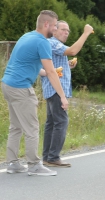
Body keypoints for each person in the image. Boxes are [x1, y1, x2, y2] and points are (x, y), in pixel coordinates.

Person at [1, 10, 68, 176]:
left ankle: (13, 163)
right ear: (46, 24)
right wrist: (62, 96)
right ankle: (34, 165)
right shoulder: (43, 42)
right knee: (32, 127)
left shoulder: (27, 36)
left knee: (16, 126)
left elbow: (29, 64)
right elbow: (51, 72)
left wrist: (47, 72)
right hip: (21, 87)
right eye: (54, 26)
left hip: (8, 84)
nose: (55, 29)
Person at [39, 20, 93, 167]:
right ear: (54, 30)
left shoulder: (54, 45)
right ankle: (53, 157)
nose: (66, 33)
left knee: (51, 123)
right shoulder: (53, 42)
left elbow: (55, 66)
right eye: (63, 29)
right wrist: (86, 33)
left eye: (68, 31)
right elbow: (73, 51)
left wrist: (67, 65)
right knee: (61, 122)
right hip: (56, 91)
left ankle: (47, 157)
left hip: (52, 90)